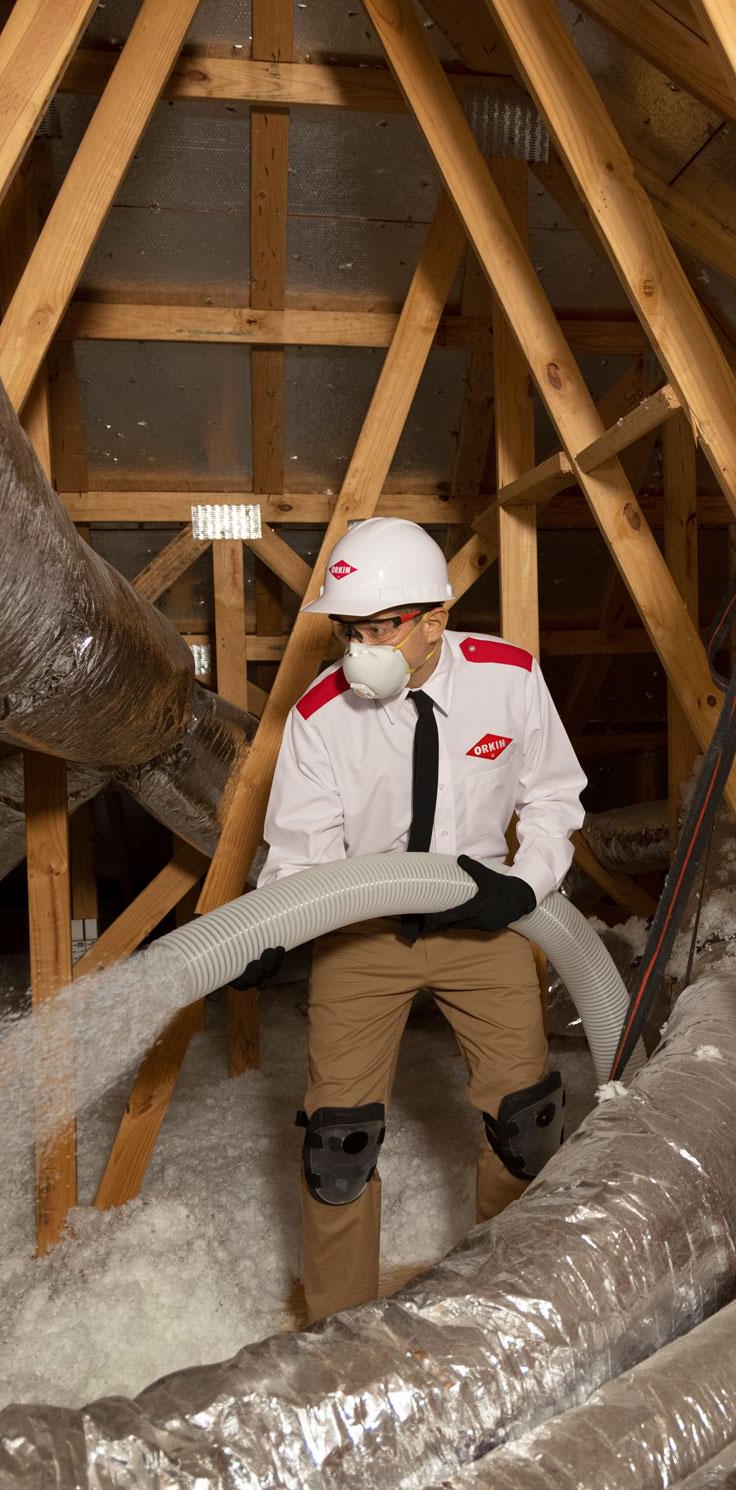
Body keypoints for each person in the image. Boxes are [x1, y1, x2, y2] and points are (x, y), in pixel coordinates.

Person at [237, 517, 586, 1325]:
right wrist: (274, 926)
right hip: (364, 933)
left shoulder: (509, 678)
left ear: (437, 618)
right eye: (348, 628)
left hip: (483, 918)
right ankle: (338, 1335)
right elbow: (301, 852)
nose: (360, 645)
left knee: (527, 1123)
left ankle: (516, 1309)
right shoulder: (320, 714)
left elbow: (553, 795)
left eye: (379, 627)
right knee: (339, 1145)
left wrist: (523, 886)